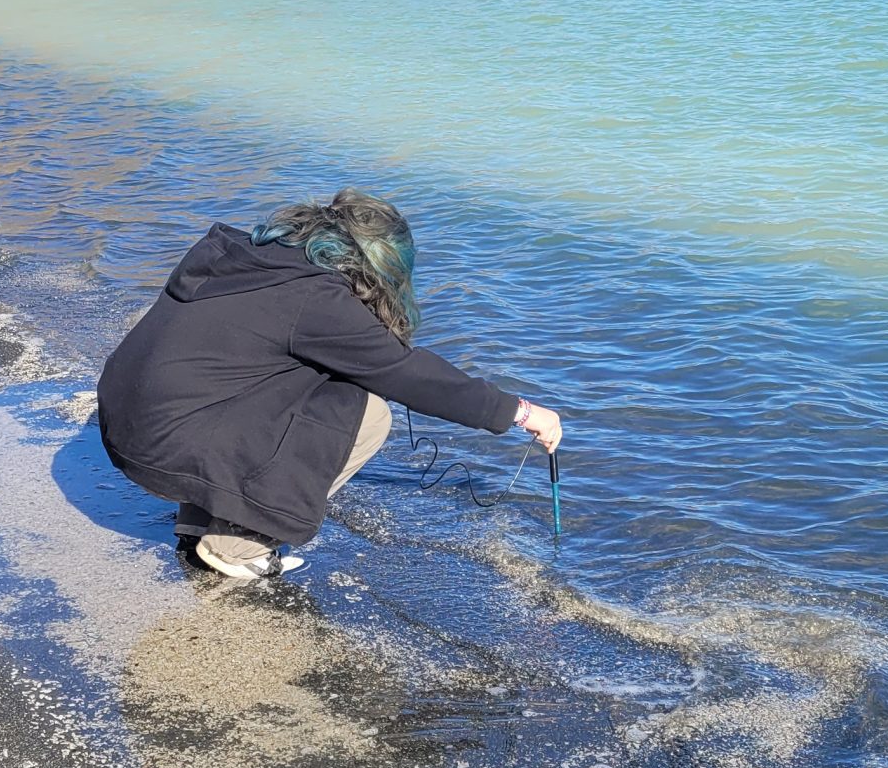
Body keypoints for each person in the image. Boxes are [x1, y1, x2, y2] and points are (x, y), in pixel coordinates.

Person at [98, 190, 563, 579]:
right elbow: (412, 375)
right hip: (163, 445)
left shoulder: (243, 257)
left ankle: (199, 519)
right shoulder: (315, 299)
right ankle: (239, 541)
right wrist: (519, 412)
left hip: (128, 425)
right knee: (368, 413)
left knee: (286, 381)